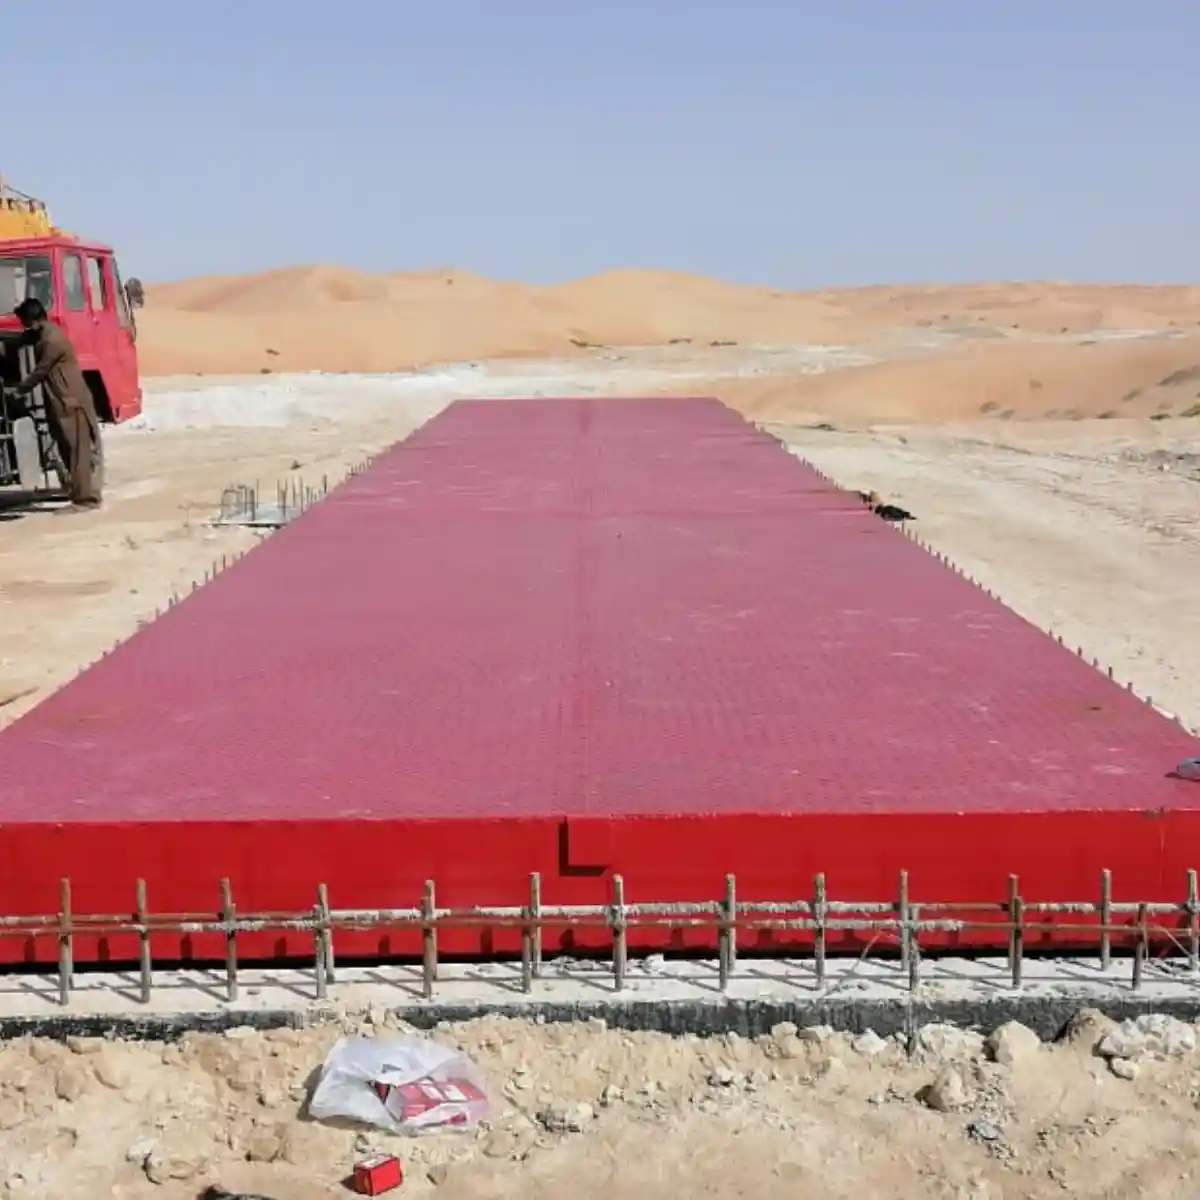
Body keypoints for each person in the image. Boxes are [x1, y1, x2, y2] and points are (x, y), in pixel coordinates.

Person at [11, 297, 102, 511]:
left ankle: (86, 500)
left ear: (33, 320)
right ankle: (76, 492)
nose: (22, 326)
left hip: (72, 402)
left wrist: (19, 390)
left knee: (78, 451)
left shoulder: (53, 341)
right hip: (62, 404)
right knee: (68, 449)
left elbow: (40, 371)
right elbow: (27, 339)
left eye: (23, 321)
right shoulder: (44, 333)